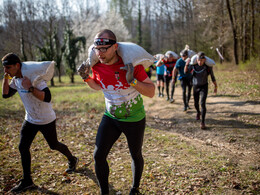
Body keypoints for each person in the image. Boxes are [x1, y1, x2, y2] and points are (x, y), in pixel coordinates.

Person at [78, 29, 155, 195]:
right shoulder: (96, 65)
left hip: (134, 118)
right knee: (98, 156)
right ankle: (105, 192)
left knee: (135, 154)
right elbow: (99, 86)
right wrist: (86, 78)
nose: (100, 53)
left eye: (105, 48)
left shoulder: (132, 65)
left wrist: (132, 81)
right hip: (110, 117)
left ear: (115, 47)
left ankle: (135, 189)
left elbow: (151, 92)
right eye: (98, 49)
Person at [2, 53, 78, 193]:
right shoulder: (15, 79)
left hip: (46, 119)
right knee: (22, 147)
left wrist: (30, 87)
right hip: (30, 119)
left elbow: (47, 97)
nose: (6, 70)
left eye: (8, 67)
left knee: (54, 145)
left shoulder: (34, 77)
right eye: (4, 68)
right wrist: (5, 78)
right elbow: (5, 94)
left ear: (17, 66)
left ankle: (72, 159)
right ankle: (27, 181)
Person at [184, 52, 217, 129]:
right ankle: (198, 112)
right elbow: (185, 72)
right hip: (195, 86)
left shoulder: (207, 67)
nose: (200, 62)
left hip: (204, 86)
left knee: (202, 103)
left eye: (201, 60)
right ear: (196, 59)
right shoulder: (193, 66)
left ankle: (203, 122)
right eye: (198, 60)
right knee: (196, 103)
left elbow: (212, 76)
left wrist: (216, 86)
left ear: (204, 60)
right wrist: (187, 64)